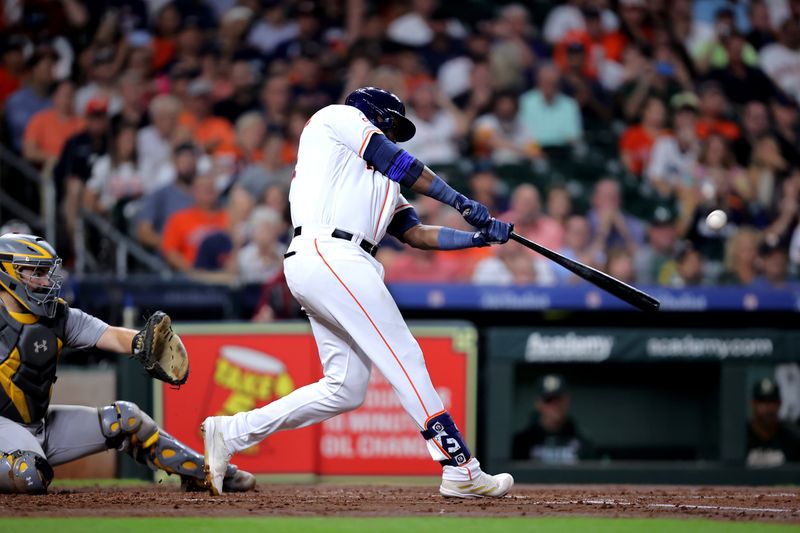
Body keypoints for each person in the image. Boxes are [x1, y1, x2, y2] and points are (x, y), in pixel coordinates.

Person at [202, 86, 514, 498]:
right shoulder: (339, 117)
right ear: (373, 113)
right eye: (391, 123)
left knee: (344, 387)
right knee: (404, 354)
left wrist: (476, 239)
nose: (394, 132)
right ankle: (459, 466)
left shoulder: (378, 179)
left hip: (331, 262)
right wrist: (460, 200)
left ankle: (232, 431)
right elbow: (396, 160)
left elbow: (416, 234)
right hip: (330, 251)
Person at [0, 233, 254, 494]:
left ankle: (202, 473)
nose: (45, 281)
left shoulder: (60, 316)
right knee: (29, 474)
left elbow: (109, 334)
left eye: (47, 272)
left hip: (38, 425)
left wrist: (143, 342)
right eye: (36, 272)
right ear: (7, 273)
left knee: (126, 419)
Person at [512, 374, 594, 463]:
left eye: (558, 399)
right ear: (538, 403)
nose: (554, 405)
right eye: (548, 400)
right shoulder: (521, 443)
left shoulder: (583, 443)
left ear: (567, 400)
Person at [746, 377, 800, 467]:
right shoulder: (741, 438)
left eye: (772, 402)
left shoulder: (791, 438)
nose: (768, 408)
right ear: (753, 404)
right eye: (763, 402)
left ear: (780, 404)